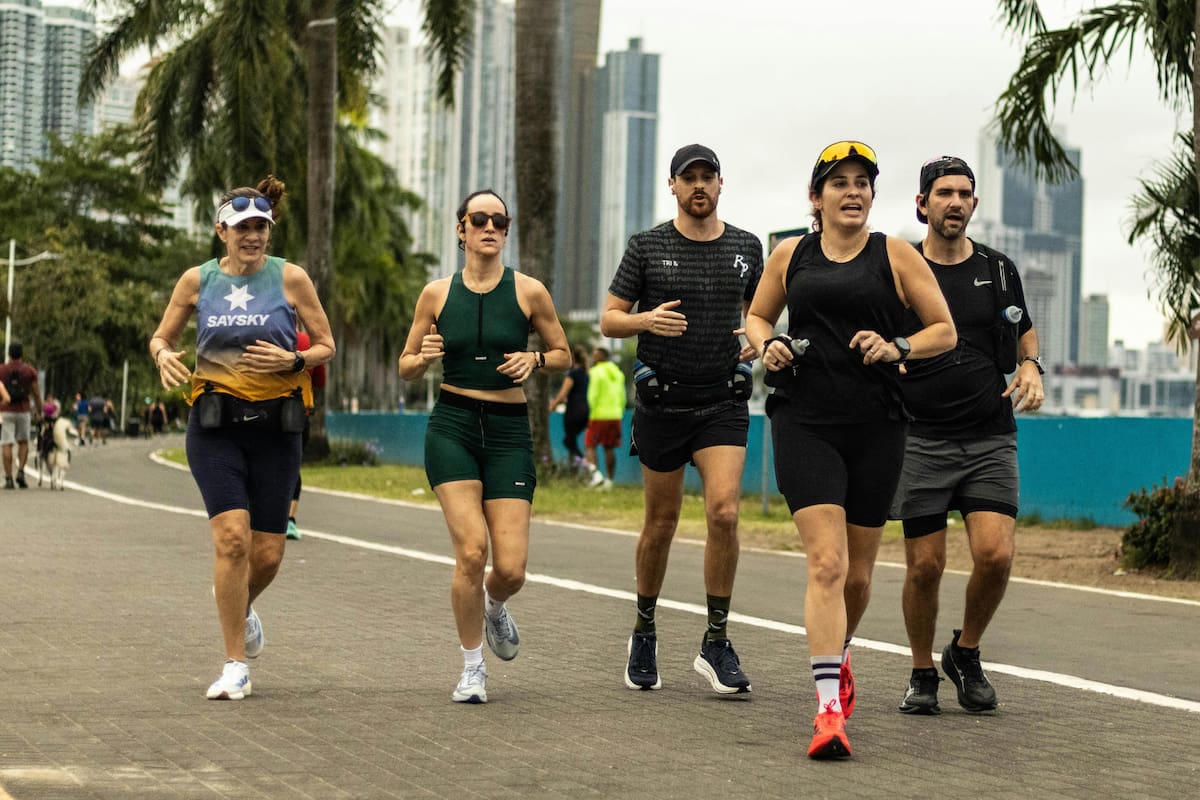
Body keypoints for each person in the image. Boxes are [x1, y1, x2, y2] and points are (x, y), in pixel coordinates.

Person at [745, 140, 955, 759]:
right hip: (804, 418)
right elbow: (757, 318)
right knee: (828, 565)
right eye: (840, 183)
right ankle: (828, 710)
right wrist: (768, 345)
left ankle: (837, 655)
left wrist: (898, 348)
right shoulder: (791, 255)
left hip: (877, 423)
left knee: (859, 576)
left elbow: (942, 330)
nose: (854, 191)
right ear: (816, 198)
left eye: (863, 182)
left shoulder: (894, 254)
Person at [149, 175, 335, 700]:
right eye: (241, 228)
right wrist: (163, 353)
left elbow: (326, 344)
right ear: (221, 231)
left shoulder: (291, 278)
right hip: (215, 428)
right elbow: (162, 336)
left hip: (277, 428)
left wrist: (294, 358)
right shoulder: (196, 280)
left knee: (268, 554)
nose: (251, 236)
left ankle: (242, 606)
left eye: (260, 227)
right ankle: (235, 664)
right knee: (232, 539)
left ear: (269, 232)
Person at [600, 144, 762, 696]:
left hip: (721, 402)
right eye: (688, 178)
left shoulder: (746, 247)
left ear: (721, 184)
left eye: (707, 177)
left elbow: (760, 313)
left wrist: (757, 344)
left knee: (723, 512)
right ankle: (644, 629)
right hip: (662, 404)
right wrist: (646, 319)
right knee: (662, 524)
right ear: (672, 185)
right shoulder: (646, 246)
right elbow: (608, 319)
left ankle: (716, 641)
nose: (699, 186)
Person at [398, 189, 569, 704]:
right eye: (479, 219)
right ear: (461, 230)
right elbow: (405, 367)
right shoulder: (434, 294)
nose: (490, 227)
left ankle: (495, 604)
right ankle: (473, 667)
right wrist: (423, 357)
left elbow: (562, 352)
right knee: (472, 551)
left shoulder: (529, 292)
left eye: (499, 220)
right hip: (452, 426)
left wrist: (535, 361)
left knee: (511, 568)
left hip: (509, 430)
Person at [892, 156, 1044, 716]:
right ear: (922, 203)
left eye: (964, 193)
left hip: (989, 437)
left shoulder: (999, 269)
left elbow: (1024, 330)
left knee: (996, 555)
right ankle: (921, 671)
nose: (955, 202)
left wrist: (1031, 367)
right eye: (944, 193)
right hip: (921, 439)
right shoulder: (901, 268)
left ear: (974, 204)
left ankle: (966, 652)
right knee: (925, 567)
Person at [286, 329, 327, 540]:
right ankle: (290, 520)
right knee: (293, 464)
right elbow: (320, 381)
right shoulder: (308, 342)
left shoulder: (263, 335)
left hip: (264, 411)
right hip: (299, 412)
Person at [0, 342, 44, 489]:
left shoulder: (2, 370)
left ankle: (8, 478)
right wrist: (40, 411)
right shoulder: (29, 371)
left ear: (9, 354)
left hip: (5, 410)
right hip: (24, 410)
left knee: (7, 443)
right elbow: (36, 393)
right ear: (21, 354)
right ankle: (20, 472)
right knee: (23, 442)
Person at [583, 346, 625, 489]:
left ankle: (596, 476)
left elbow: (592, 395)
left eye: (595, 355)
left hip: (598, 415)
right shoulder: (618, 373)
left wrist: (590, 411)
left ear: (602, 356)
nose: (593, 357)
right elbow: (622, 395)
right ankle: (610, 481)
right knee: (609, 448)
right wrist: (619, 410)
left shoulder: (595, 372)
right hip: (615, 415)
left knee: (589, 445)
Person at [549, 344, 590, 472]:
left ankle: (588, 468)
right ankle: (575, 470)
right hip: (585, 411)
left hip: (574, 411)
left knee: (568, 441)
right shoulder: (586, 373)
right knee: (571, 440)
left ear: (572, 357)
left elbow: (562, 394)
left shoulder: (572, 373)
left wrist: (552, 406)